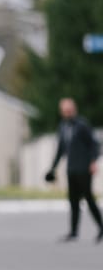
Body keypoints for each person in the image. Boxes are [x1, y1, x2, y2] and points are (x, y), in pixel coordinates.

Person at [44, 97, 103, 243]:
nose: (67, 112)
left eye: (69, 109)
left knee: (89, 199)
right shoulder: (63, 127)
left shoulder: (82, 125)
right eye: (65, 110)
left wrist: (93, 161)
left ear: (74, 109)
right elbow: (60, 150)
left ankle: (101, 227)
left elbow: (94, 144)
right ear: (62, 111)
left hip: (84, 168)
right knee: (73, 200)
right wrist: (53, 168)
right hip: (71, 169)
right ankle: (73, 232)